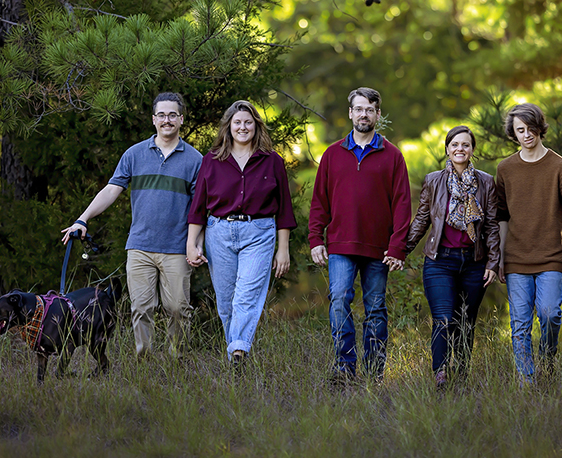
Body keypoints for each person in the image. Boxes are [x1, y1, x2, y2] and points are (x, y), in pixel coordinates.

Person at [60, 92, 203, 358]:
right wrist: (83, 218)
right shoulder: (134, 154)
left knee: (177, 308)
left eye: (173, 115)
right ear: (153, 119)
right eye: (161, 115)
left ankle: (176, 359)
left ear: (181, 119)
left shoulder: (195, 160)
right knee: (141, 307)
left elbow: (200, 210)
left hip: (177, 248)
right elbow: (111, 190)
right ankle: (144, 361)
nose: (167, 120)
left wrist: (195, 245)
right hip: (140, 247)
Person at [308, 87, 412, 382]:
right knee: (339, 299)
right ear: (350, 113)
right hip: (340, 244)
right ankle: (344, 366)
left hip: (379, 249)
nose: (364, 114)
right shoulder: (332, 155)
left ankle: (374, 371)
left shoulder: (392, 156)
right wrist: (316, 239)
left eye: (370, 109)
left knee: (376, 307)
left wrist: (397, 248)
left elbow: (402, 205)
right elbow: (319, 202)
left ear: (378, 114)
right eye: (358, 109)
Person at [494, 103, 562, 381]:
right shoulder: (505, 169)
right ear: (513, 134)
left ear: (540, 128)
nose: (526, 134)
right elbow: (501, 216)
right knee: (520, 325)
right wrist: (500, 257)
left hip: (551, 256)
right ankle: (527, 383)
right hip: (516, 258)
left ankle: (547, 361)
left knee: (550, 313)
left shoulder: (560, 167)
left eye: (530, 128)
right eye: (520, 130)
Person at [185, 100, 296, 363]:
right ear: (228, 126)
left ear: (256, 126)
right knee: (226, 303)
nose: (243, 127)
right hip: (219, 233)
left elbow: (285, 211)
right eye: (237, 123)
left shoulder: (272, 161)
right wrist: (192, 243)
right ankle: (236, 353)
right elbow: (198, 206)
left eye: (248, 122)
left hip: (259, 232)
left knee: (246, 297)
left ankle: (238, 352)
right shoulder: (212, 160)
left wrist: (283, 249)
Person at [405, 125, 500, 389]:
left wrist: (493, 262)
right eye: (455, 144)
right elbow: (422, 219)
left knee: (466, 321)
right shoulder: (434, 180)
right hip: (440, 261)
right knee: (444, 318)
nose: (460, 149)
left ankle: (462, 371)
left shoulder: (486, 182)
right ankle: (441, 372)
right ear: (447, 149)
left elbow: (491, 225)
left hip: (474, 262)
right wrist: (401, 251)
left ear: (472, 150)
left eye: (465, 145)